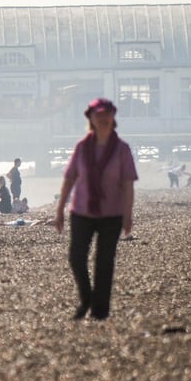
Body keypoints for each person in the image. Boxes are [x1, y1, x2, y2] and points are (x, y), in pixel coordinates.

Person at [54, 97, 138, 321]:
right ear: (90, 118)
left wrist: (128, 215)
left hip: (112, 213)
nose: (103, 119)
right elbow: (70, 178)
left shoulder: (122, 149)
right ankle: (86, 298)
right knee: (76, 257)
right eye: (98, 115)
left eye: (107, 115)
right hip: (82, 211)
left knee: (104, 261)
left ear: (113, 118)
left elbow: (128, 184)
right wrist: (59, 209)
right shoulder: (82, 147)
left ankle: (100, 311)